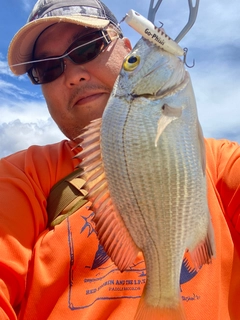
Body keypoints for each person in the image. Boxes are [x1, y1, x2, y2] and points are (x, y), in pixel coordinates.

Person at [0, 0, 239, 319]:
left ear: (126, 49)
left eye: (86, 48)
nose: (73, 77)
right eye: (48, 68)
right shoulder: (19, 176)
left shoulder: (222, 162)